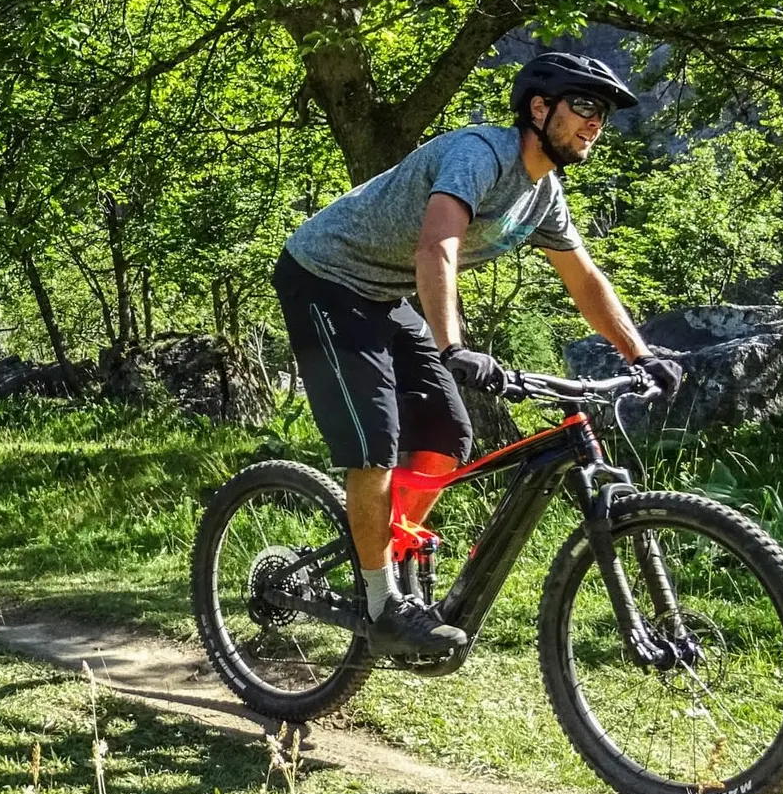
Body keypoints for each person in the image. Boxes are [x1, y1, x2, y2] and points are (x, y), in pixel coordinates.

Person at [271, 52, 682, 656]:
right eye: (585, 107)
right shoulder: (480, 154)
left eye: (604, 115)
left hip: (385, 293)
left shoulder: (544, 194)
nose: (596, 123)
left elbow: (584, 279)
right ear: (539, 109)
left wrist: (641, 356)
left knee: (444, 434)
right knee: (375, 443)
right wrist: (453, 346)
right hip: (325, 277)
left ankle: (394, 550)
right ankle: (383, 602)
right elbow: (436, 245)